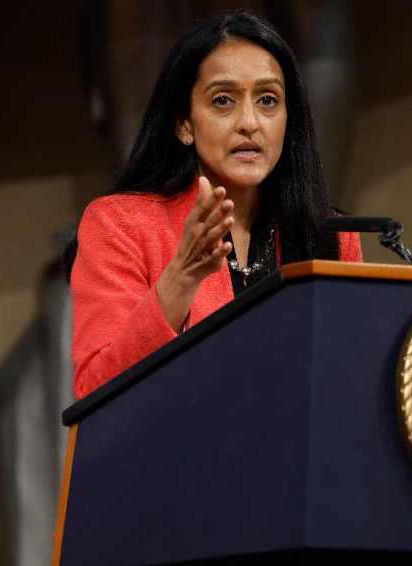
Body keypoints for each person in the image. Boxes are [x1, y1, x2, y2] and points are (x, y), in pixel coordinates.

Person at [63, 12, 362, 400]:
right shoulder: (119, 224)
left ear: (289, 119)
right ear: (184, 124)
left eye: (268, 100)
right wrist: (180, 279)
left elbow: (352, 376)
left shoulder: (331, 234)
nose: (249, 122)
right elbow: (95, 394)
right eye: (223, 100)